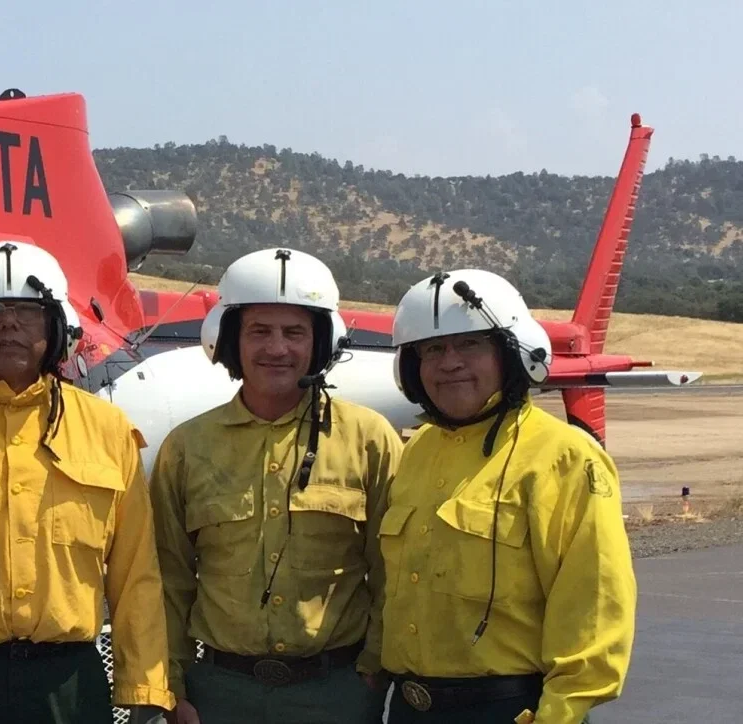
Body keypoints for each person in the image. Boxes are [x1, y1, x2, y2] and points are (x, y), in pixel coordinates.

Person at [0, 240, 173, 724]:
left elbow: (135, 574)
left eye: (28, 312)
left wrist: (145, 689)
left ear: (57, 328)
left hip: (69, 686)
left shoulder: (107, 430)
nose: (9, 324)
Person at [148, 248, 401, 724]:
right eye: (259, 331)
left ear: (321, 342)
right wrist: (172, 684)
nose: (277, 348)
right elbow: (168, 579)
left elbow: (394, 570)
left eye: (294, 333)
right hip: (220, 696)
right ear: (230, 341)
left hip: (337, 695)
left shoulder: (370, 440)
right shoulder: (186, 448)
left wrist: (372, 671)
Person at [376, 269, 635, 724]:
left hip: (511, 709)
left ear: (511, 353)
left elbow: (593, 601)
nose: (450, 362)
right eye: (433, 349)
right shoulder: (417, 451)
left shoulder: (565, 456)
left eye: (470, 344)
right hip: (409, 708)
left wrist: (562, 711)